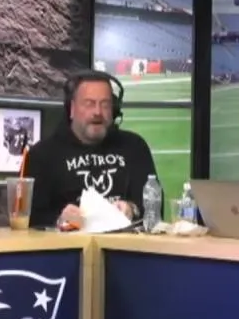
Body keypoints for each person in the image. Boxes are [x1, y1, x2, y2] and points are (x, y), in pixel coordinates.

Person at [28, 69, 158, 227]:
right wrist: (59, 220)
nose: (97, 112)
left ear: (114, 110)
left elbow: (154, 207)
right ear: (72, 108)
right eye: (89, 104)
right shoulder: (42, 155)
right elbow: (31, 218)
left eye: (105, 104)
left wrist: (132, 209)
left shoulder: (135, 147)